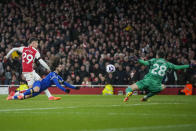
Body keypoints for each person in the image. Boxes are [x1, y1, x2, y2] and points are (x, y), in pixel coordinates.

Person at [124, 52, 194, 102]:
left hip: (146, 81)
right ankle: (145, 97)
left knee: (129, 88)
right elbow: (177, 67)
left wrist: (138, 60)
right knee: (163, 86)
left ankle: (128, 94)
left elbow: (144, 63)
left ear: (157, 56)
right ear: (164, 57)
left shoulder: (154, 60)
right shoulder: (167, 63)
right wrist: (189, 65)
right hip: (155, 84)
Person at [7, 64, 79, 100]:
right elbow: (57, 85)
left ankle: (12, 97)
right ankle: (19, 93)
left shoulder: (58, 77)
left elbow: (65, 83)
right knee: (35, 89)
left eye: (61, 67)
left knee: (25, 97)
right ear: (56, 67)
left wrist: (75, 88)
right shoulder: (52, 74)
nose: (61, 68)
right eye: (60, 67)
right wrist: (64, 90)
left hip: (41, 90)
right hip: (38, 83)